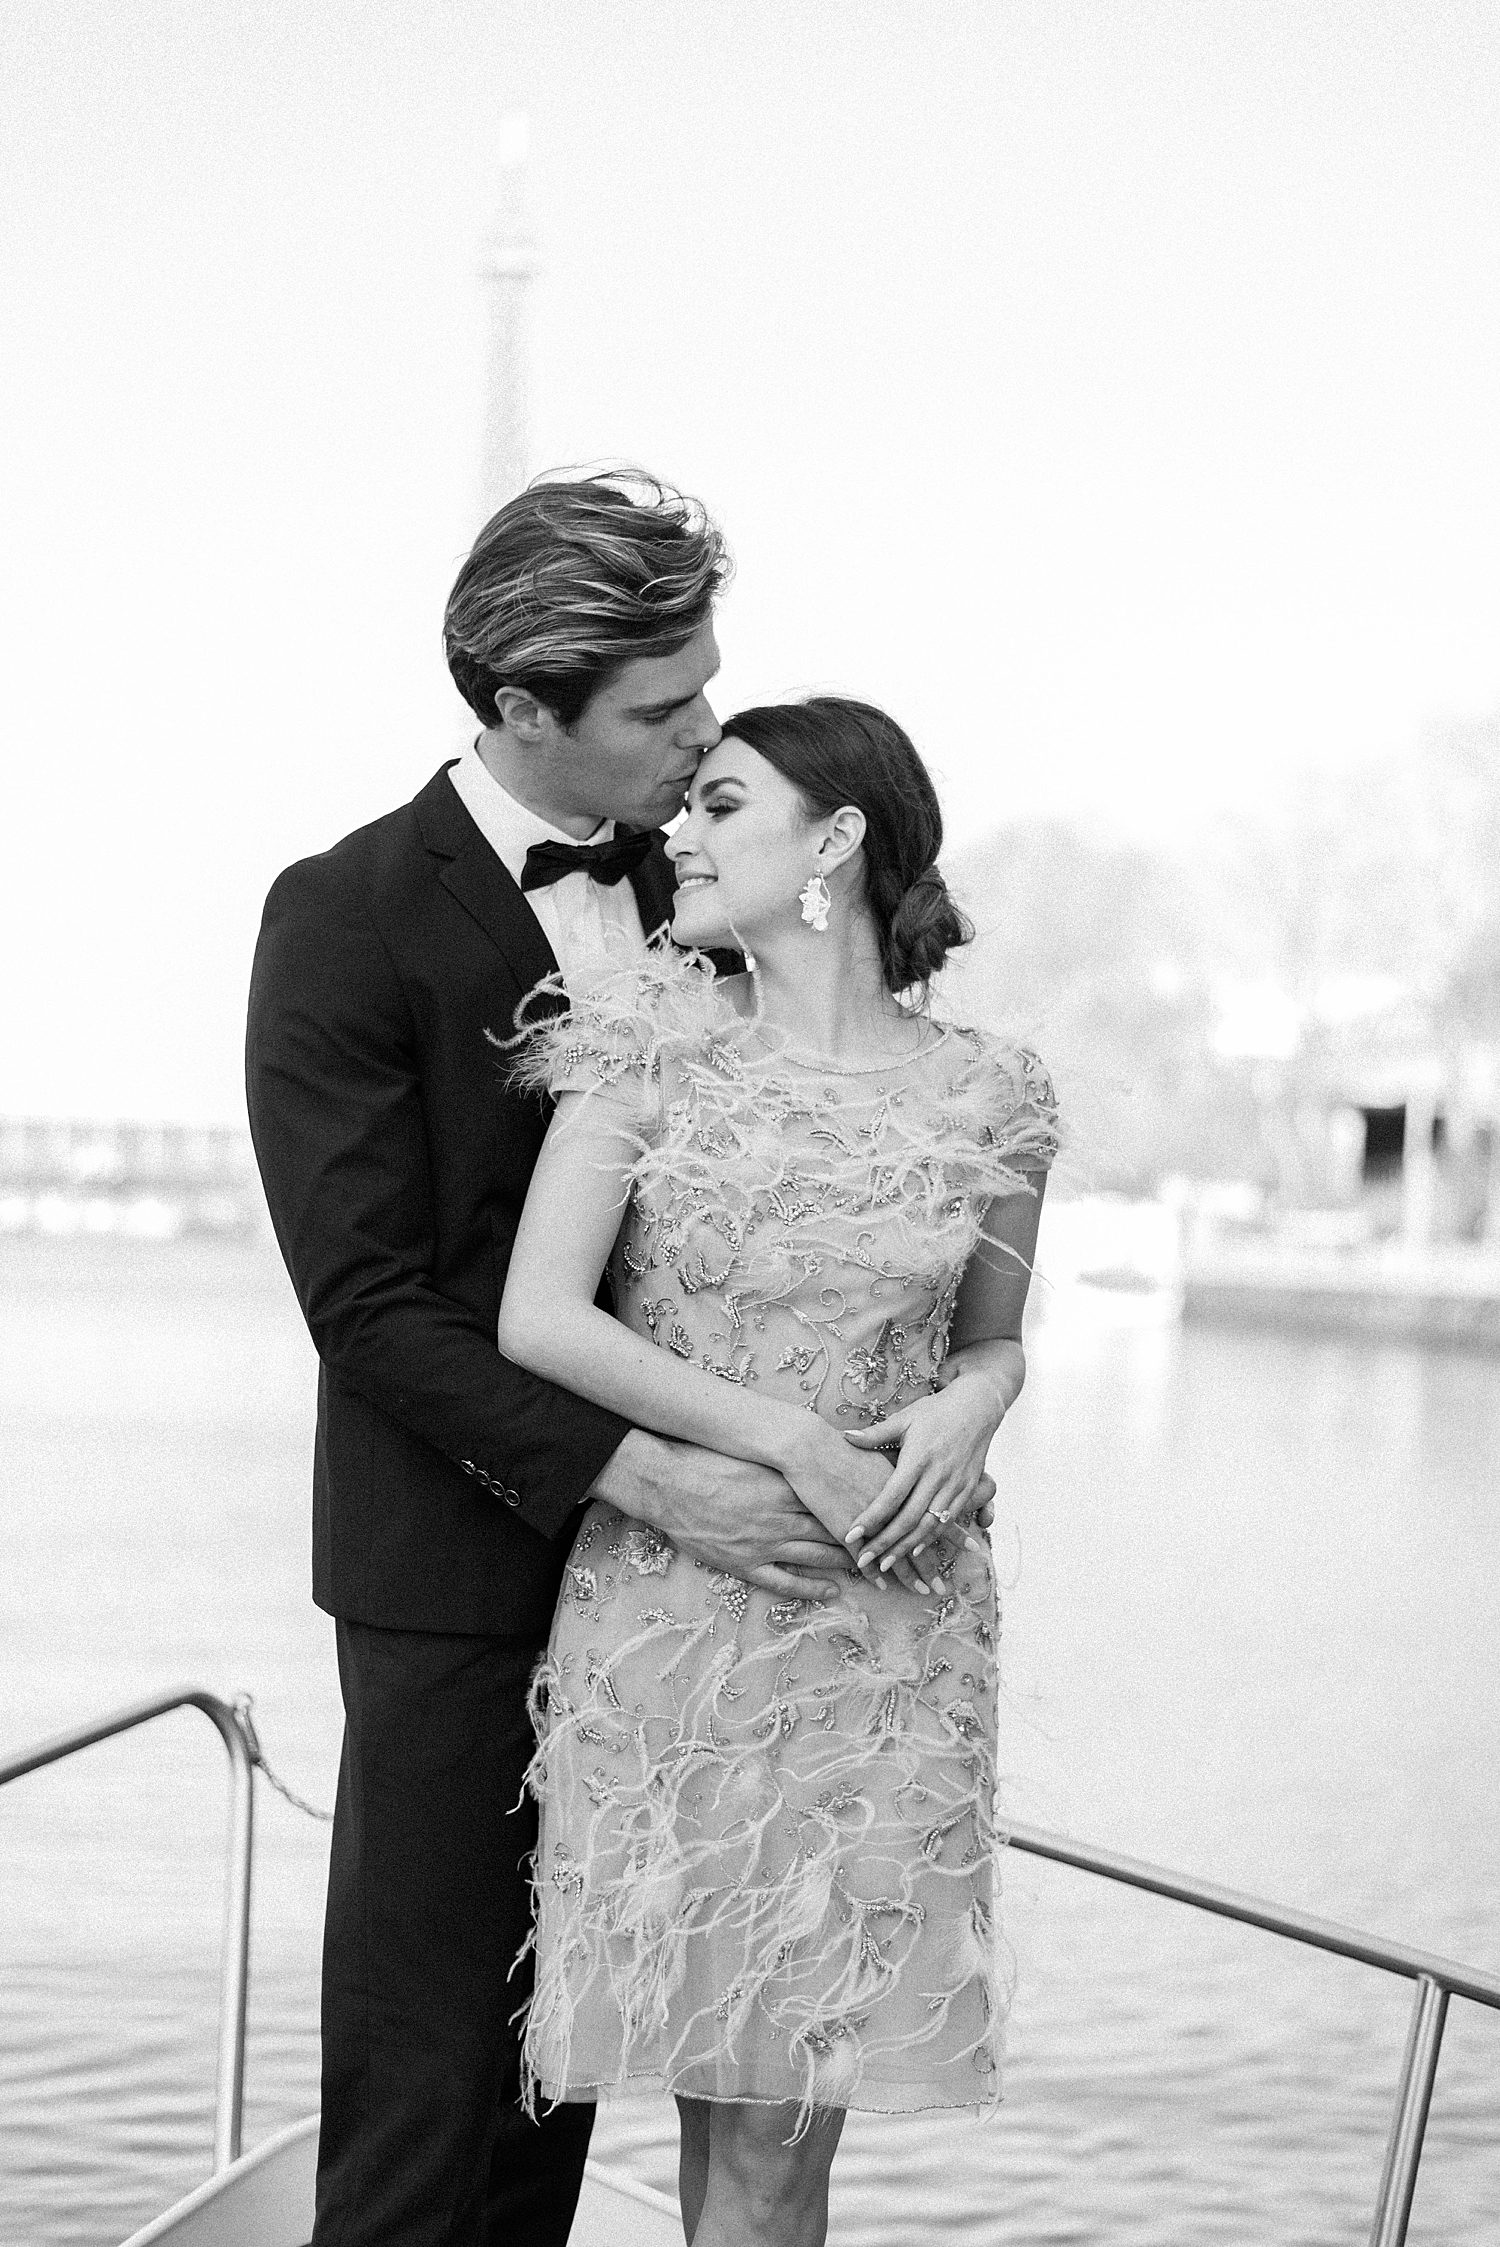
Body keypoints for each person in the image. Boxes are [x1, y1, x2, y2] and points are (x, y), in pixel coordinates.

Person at [244, 476, 943, 2247]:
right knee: (427, 2114)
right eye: (659, 710)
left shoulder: (721, 881)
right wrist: (656, 1477)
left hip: (696, 1623)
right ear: (520, 710)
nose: (705, 733)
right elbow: (370, 1301)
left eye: (709, 690)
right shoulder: (338, 914)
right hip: (460, 1586)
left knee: (561, 2099)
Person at [497, 696, 1058, 2247]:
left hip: (885, 1634)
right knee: (715, 2103)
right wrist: (786, 1436)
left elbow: (993, 1340)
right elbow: (536, 1318)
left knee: (779, 2148)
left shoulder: (996, 1093)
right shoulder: (641, 1053)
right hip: (678, 1617)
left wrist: (980, 1403)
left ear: (837, 840)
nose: (680, 829)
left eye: (723, 804)